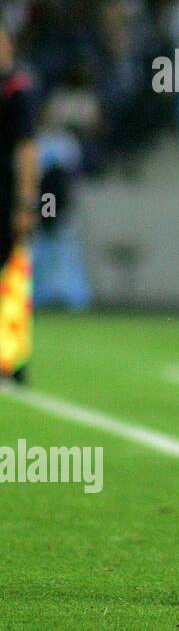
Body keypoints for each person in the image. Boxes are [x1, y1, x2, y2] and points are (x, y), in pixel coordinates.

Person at [0, 28, 38, 383]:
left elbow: (27, 149)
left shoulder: (17, 90)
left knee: (14, 277)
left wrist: (26, 203)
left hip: (6, 197)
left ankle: (13, 359)